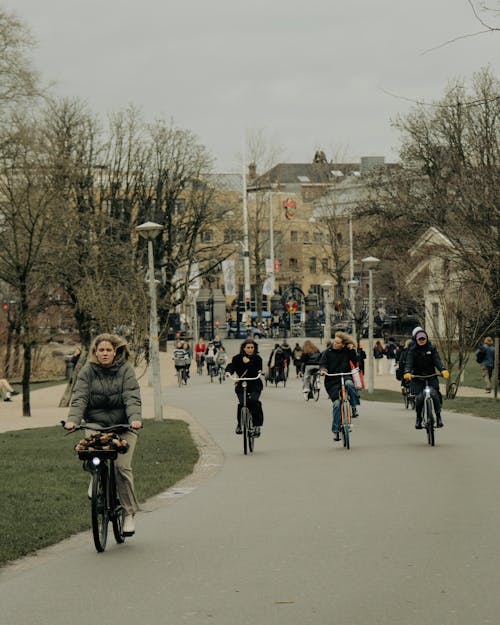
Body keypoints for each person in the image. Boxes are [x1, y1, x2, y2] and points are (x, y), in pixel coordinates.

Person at [64, 333, 142, 536]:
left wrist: (134, 418)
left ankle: (128, 514)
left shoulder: (126, 370)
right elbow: (79, 397)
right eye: (101, 350)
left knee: (121, 467)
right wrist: (73, 420)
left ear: (115, 352)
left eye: (108, 350)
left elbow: (131, 397)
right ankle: (95, 476)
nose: (104, 353)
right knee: (90, 453)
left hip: (124, 425)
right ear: (95, 352)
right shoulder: (87, 371)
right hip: (96, 424)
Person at [403, 329, 449, 429]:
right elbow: (409, 363)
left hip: (431, 376)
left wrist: (442, 370)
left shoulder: (431, 349)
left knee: (435, 395)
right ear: (416, 339)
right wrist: (407, 372)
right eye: (420, 339)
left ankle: (438, 417)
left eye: (423, 338)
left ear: (426, 338)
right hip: (417, 377)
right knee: (419, 398)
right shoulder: (412, 350)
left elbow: (437, 360)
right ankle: (418, 418)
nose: (422, 340)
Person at [319, 332, 361, 441]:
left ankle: (354, 406)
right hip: (332, 380)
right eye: (335, 341)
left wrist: (352, 350)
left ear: (343, 344)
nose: (335, 344)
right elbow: (323, 363)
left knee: (349, 384)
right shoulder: (327, 352)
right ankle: (336, 430)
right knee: (337, 404)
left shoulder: (347, 351)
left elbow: (356, 361)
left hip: (345, 375)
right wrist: (323, 370)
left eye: (338, 343)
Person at [225, 338, 264, 437]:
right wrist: (228, 371)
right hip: (242, 384)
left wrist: (249, 363)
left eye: (252, 347)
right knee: (242, 403)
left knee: (254, 402)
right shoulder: (237, 358)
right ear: (243, 348)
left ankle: (256, 426)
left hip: (255, 383)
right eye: (248, 347)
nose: (250, 349)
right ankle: (239, 425)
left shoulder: (257, 359)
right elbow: (231, 366)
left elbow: (256, 371)